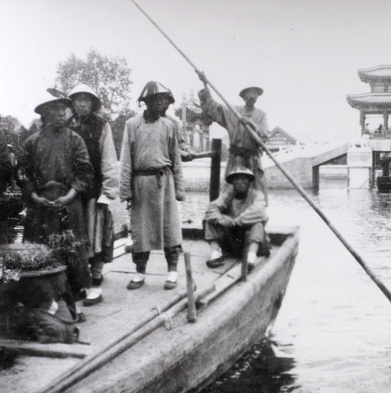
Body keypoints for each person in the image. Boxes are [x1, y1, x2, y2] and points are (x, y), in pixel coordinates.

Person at [17, 89, 94, 320]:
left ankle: (74, 308)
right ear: (45, 114)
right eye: (55, 110)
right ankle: (46, 306)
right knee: (41, 254)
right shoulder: (32, 142)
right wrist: (33, 195)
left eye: (63, 109)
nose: (61, 114)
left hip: (67, 205)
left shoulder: (75, 140)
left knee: (72, 254)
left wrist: (71, 195)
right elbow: (22, 173)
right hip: (39, 207)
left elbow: (85, 171)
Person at [119, 81, 185, 290]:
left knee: (170, 228)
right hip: (141, 184)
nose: (161, 105)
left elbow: (176, 159)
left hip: (164, 182)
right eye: (156, 100)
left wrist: (180, 189)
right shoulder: (132, 125)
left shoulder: (169, 126)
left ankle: (172, 271)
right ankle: (139, 273)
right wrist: (125, 190)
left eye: (164, 101)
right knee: (141, 230)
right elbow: (126, 160)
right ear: (146, 102)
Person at [68, 84, 119, 306]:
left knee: (95, 232)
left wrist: (108, 192)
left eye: (86, 99)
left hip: (93, 188)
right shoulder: (66, 125)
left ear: (93, 103)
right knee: (74, 233)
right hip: (70, 189)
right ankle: (76, 276)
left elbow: (108, 159)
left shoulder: (101, 126)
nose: (82, 103)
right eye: (78, 99)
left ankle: (96, 272)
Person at [196, 71, 269, 200]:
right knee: (232, 196)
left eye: (254, 94)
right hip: (236, 161)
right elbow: (214, 107)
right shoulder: (234, 112)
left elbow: (265, 136)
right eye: (248, 94)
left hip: (252, 161)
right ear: (243, 97)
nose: (252, 97)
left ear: (258, 96)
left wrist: (252, 124)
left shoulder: (261, 115)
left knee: (256, 196)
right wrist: (205, 83)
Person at [204, 167, 269, 272]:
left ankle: (251, 259)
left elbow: (258, 210)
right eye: (237, 179)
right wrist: (221, 219)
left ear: (249, 182)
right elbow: (211, 208)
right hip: (234, 238)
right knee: (209, 221)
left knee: (258, 223)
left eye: (244, 179)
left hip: (250, 239)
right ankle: (215, 254)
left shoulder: (257, 195)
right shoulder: (227, 196)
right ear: (232, 182)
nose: (240, 182)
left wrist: (238, 221)